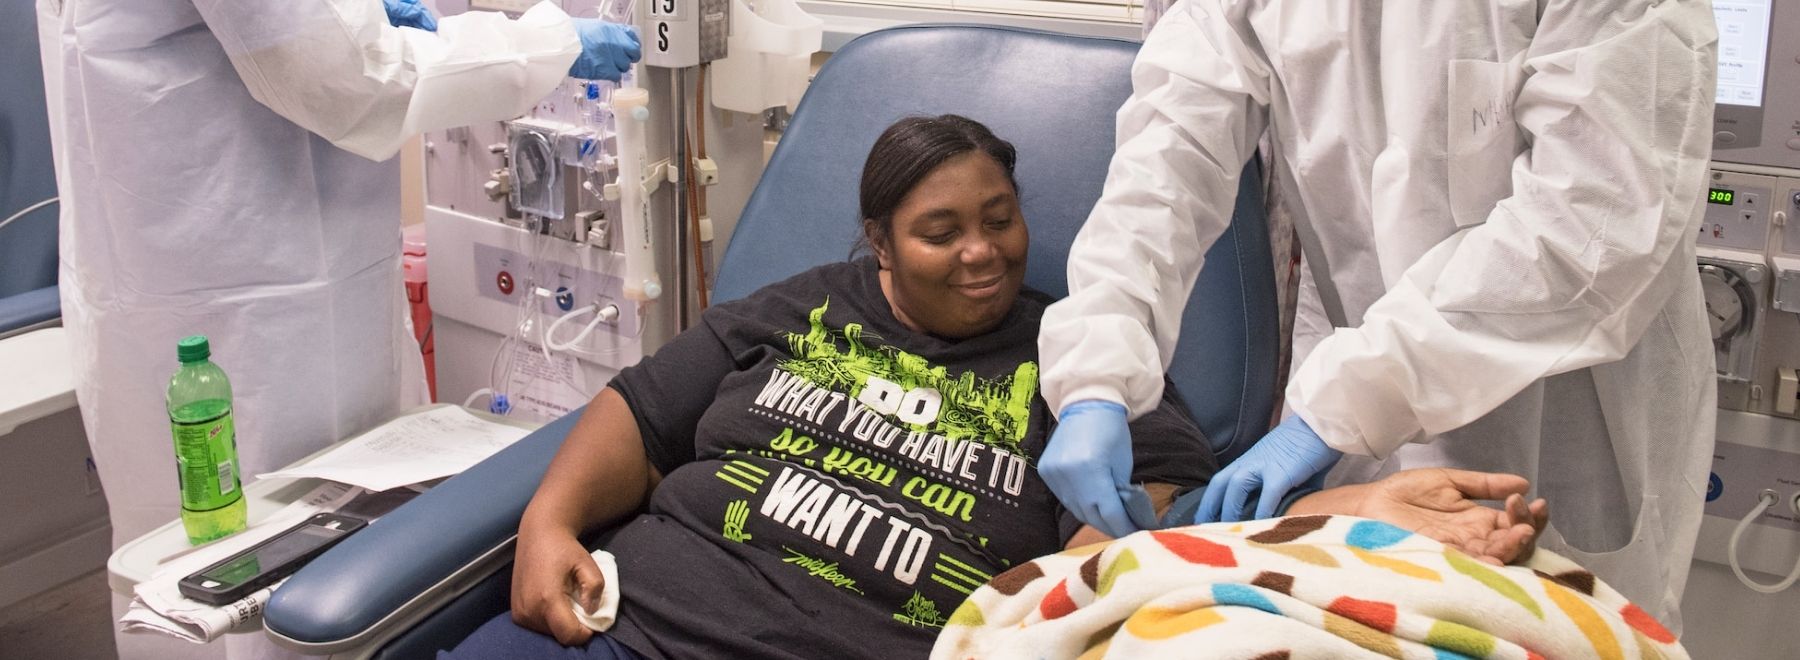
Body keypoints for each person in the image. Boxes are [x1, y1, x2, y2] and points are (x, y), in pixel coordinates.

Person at [442, 115, 1546, 659]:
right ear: (879, 244)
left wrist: (1341, 512)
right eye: (940, 233)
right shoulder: (799, 306)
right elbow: (639, 412)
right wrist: (547, 522)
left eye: (1000, 220)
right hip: (623, 630)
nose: (982, 253)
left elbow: (1154, 549)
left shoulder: (1089, 366)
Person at [1034, 0, 1716, 630]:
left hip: (1566, 405)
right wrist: (1098, 369)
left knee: (1563, 628)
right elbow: (1164, 163)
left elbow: (1595, 225)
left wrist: (1346, 405)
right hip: (1356, 392)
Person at [34, 1, 637, 658]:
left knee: (201, 555)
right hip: (251, 296)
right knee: (279, 556)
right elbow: (350, 78)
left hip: (169, 256)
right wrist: (549, 45)